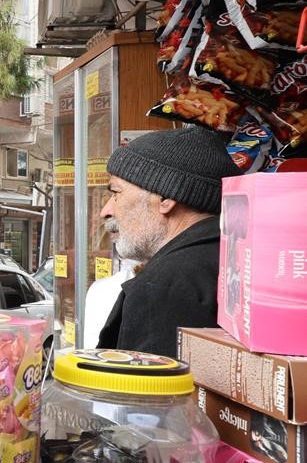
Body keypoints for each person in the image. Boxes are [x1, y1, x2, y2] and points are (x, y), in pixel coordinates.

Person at [96, 125, 241, 356]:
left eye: (116, 193)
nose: (106, 210)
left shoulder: (162, 287)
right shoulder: (236, 256)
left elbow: (144, 389)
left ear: (166, 198)